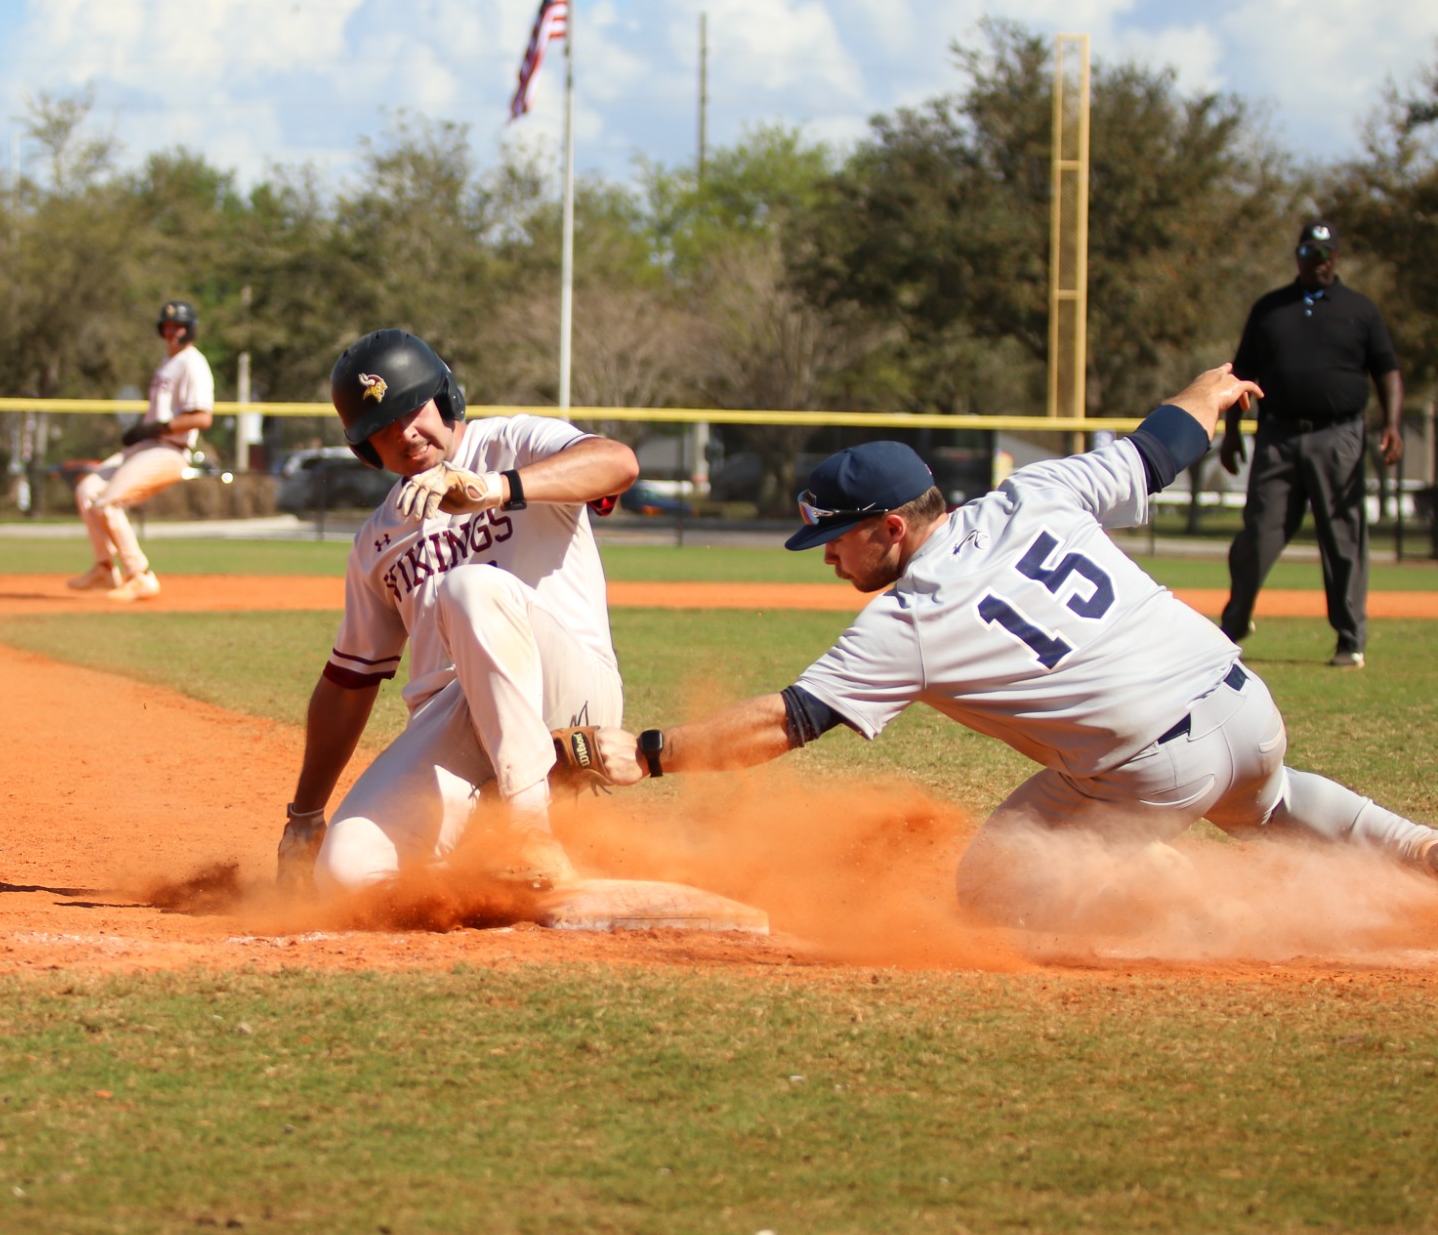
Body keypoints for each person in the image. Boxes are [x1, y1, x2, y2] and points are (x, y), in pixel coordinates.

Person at [559, 365, 1438, 931]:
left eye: (837, 538)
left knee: (990, 891)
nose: (828, 554)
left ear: (893, 527)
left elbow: (786, 722)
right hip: (1243, 704)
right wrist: (1208, 393)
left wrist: (649, 753)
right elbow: (1158, 449)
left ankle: (1193, 904)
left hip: (1148, 772)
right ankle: (1420, 851)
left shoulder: (911, 620)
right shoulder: (1037, 492)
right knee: (1272, 803)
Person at [277, 328, 640, 893]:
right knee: (347, 873)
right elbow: (349, 682)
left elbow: (615, 463)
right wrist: (304, 817)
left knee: (468, 588)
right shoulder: (378, 539)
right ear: (363, 449)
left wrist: (495, 488)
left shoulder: (513, 443)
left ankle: (528, 833)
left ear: (445, 397)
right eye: (381, 429)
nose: (406, 434)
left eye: (411, 409)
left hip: (569, 695)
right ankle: (479, 859)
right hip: (459, 726)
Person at [1219, 220, 1404, 668]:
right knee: (1258, 533)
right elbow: (1242, 376)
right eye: (1308, 255)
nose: (1316, 263)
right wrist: (1230, 434)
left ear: (1335, 259)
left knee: (1343, 537)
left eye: (1323, 256)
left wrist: (1392, 423)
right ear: (1298, 256)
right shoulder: (1270, 309)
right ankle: (1236, 620)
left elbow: (1387, 370)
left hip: (1337, 435)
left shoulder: (1359, 310)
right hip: (1278, 435)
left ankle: (1349, 638)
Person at [67, 300, 214, 601]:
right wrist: (144, 431)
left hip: (170, 450)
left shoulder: (192, 363)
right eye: (168, 326)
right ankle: (105, 568)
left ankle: (140, 575)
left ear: (191, 330)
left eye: (179, 327)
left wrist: (154, 428)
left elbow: (202, 417)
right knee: (87, 490)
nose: (173, 332)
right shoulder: (167, 362)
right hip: (149, 445)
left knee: (108, 503)